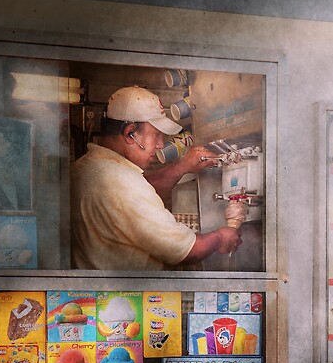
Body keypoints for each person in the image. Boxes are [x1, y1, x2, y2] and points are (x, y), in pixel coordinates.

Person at [71, 86, 242, 269]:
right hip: (130, 294)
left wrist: (182, 166)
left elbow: (140, 196)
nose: (161, 145)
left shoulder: (87, 167)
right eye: (156, 135)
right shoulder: (122, 183)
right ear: (130, 133)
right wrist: (221, 237)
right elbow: (187, 251)